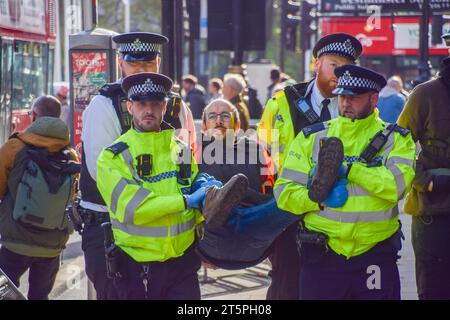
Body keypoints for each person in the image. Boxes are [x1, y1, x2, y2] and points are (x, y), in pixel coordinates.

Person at [96, 72, 248, 299]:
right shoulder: (113, 157)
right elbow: (133, 208)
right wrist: (188, 200)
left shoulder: (181, 150)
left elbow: (190, 189)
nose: (149, 110)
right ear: (130, 107)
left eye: (155, 103)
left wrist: (204, 189)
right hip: (138, 269)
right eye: (141, 103)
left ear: (164, 106)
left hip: (183, 265)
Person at [274, 65, 416, 299]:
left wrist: (349, 169)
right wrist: (316, 201)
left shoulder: (397, 139)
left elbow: (396, 187)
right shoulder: (312, 137)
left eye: (354, 98)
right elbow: (284, 193)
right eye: (341, 96)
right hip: (323, 253)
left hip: (374, 254)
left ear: (374, 99)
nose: (346, 103)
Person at [79, 32, 196, 300]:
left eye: (148, 63)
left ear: (158, 62)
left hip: (169, 236)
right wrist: (168, 203)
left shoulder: (176, 106)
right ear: (121, 62)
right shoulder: (104, 105)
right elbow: (102, 176)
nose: (141, 70)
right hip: (110, 228)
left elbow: (187, 164)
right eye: (134, 64)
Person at [257, 33, 363, 300]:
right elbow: (263, 151)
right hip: (289, 213)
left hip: (337, 215)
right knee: (286, 287)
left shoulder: (356, 106)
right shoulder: (283, 101)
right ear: (317, 64)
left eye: (347, 67)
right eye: (333, 64)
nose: (340, 73)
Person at [0, 96, 80, 300]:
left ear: (34, 116)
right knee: (40, 296)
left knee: (5, 293)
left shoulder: (15, 147)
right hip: (52, 245)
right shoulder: (71, 155)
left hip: (16, 239)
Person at [397, 55, 450, 300]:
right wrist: (426, 182)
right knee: (434, 290)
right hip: (434, 213)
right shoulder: (425, 95)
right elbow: (398, 148)